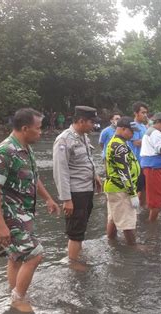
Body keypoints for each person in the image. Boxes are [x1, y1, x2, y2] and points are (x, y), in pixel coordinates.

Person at [0, 108, 60, 312]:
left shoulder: (26, 149)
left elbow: (33, 178)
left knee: (16, 257)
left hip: (22, 214)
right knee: (35, 254)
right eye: (39, 128)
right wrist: (0, 225)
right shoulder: (4, 152)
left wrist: (49, 199)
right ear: (25, 128)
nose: (41, 132)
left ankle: (15, 292)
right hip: (8, 217)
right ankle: (18, 299)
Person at [52, 105, 102, 266]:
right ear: (81, 121)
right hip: (76, 192)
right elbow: (61, 171)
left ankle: (77, 257)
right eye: (91, 122)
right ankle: (73, 264)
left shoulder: (83, 137)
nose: (94, 125)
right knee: (75, 231)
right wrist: (66, 199)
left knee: (81, 227)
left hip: (87, 189)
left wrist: (95, 176)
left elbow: (85, 161)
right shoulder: (64, 140)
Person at [104, 117, 141, 245]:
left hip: (114, 187)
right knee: (128, 223)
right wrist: (133, 194)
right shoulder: (119, 146)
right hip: (120, 189)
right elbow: (123, 172)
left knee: (113, 218)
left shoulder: (117, 142)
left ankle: (111, 243)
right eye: (131, 131)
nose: (133, 134)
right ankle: (133, 249)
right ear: (123, 129)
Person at [128, 101, 149, 207]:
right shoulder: (133, 126)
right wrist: (150, 141)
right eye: (143, 112)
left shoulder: (143, 126)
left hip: (143, 162)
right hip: (135, 162)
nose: (145, 115)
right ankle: (134, 211)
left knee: (144, 188)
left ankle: (142, 210)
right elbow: (136, 142)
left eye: (146, 113)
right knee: (136, 189)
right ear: (136, 113)